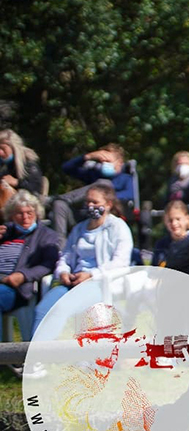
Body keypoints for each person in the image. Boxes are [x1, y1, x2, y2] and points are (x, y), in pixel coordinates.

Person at [32, 180, 133, 338]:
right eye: (87, 202)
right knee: (43, 309)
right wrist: (63, 272)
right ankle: (34, 358)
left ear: (108, 204)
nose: (90, 206)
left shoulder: (118, 227)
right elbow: (66, 255)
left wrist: (91, 275)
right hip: (73, 281)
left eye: (95, 202)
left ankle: (43, 356)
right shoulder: (79, 228)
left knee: (62, 308)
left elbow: (121, 262)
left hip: (100, 283)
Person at [50, 143, 134, 244]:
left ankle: (59, 198)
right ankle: (59, 249)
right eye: (102, 162)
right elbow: (66, 168)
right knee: (59, 205)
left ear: (119, 162)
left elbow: (130, 195)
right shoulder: (95, 174)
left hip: (106, 215)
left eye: (108, 161)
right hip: (83, 215)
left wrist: (103, 197)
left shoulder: (126, 178)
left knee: (103, 184)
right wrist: (88, 156)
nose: (104, 164)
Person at [0, 191, 60, 319]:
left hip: (17, 289)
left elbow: (49, 264)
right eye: (19, 213)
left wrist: (23, 275)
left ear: (36, 214)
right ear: (12, 216)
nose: (25, 217)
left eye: (29, 213)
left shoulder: (46, 235)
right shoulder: (5, 233)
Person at [0, 129, 45, 202]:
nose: (0, 152)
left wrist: (17, 182)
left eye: (3, 148)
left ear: (14, 148)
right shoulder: (6, 166)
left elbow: (35, 189)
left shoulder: (29, 164)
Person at [151, 200, 189, 267]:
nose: (174, 223)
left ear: (187, 218)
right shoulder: (161, 245)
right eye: (170, 220)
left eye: (178, 219)